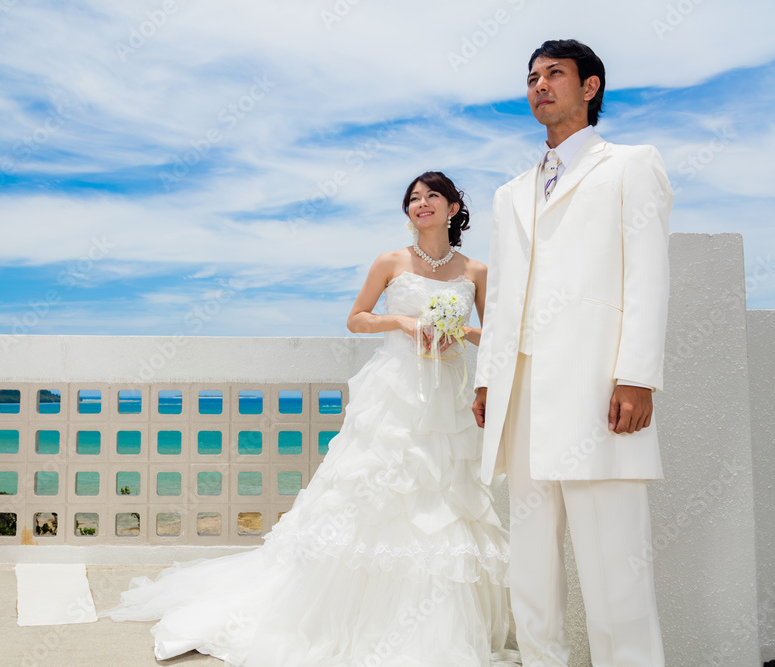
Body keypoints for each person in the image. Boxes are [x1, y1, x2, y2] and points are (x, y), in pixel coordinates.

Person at [107, 171, 520, 666]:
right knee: (377, 490)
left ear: (453, 208)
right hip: (394, 391)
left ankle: (434, 626)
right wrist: (404, 322)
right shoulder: (390, 262)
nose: (422, 203)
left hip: (447, 395)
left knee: (444, 496)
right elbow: (357, 318)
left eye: (433, 196)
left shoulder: (475, 271)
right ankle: (350, 615)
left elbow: (495, 334)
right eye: (414, 198)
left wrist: (458, 332)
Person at [472, 39, 671, 666]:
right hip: (522, 391)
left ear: (590, 87)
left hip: (596, 388)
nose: (539, 85)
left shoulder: (631, 166)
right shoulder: (510, 193)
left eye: (554, 74)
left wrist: (636, 376)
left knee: (615, 566)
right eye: (532, 76)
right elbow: (502, 295)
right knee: (531, 565)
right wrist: (488, 380)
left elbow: (648, 276)